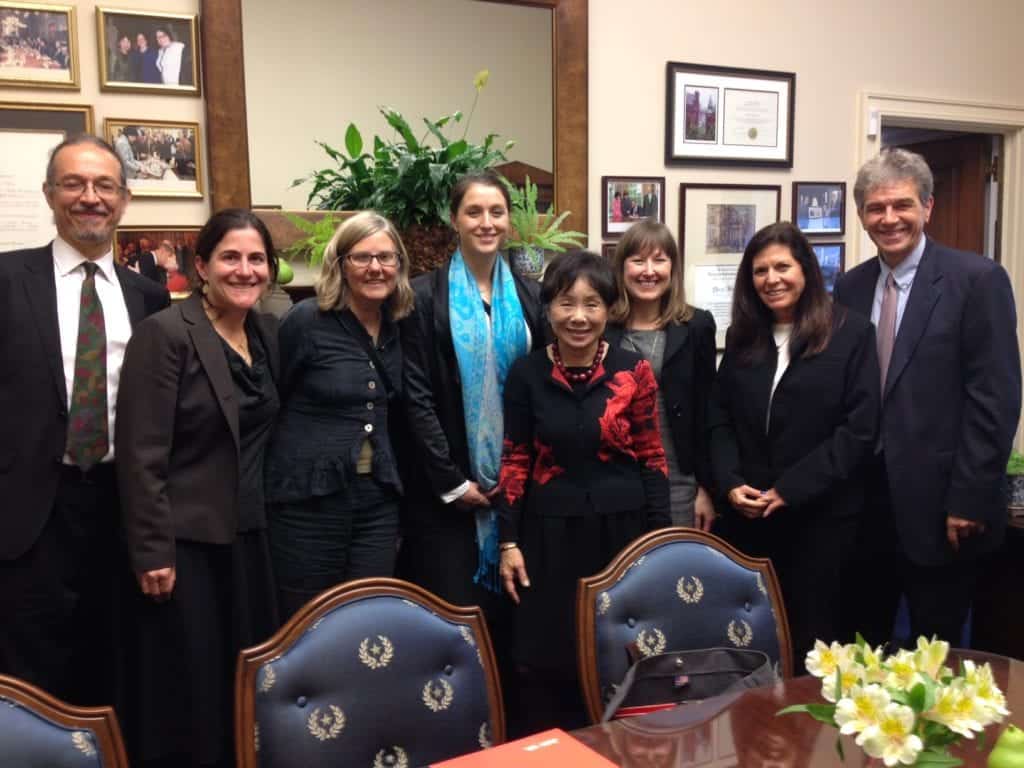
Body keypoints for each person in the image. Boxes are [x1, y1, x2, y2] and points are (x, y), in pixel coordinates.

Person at [0, 135, 168, 705]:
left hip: (122, 510)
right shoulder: (6, 281)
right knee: (29, 675)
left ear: (123, 199)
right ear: (49, 193)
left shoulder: (150, 298)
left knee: (115, 663)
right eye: (73, 183)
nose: (89, 197)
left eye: (104, 185)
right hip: (28, 515)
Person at [834, 148, 1021, 647]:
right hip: (865, 509)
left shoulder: (976, 281)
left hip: (944, 510)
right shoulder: (849, 288)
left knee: (937, 655)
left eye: (902, 205)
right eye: (876, 208)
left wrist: (969, 498)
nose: (889, 218)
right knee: (864, 648)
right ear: (861, 216)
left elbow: (995, 399)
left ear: (927, 208)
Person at [115, 208, 280, 767]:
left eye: (256, 259)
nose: (244, 270)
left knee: (247, 678)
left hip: (252, 539)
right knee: (193, 684)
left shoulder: (268, 332)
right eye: (230, 257)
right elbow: (142, 453)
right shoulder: (166, 334)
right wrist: (152, 550)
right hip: (186, 546)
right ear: (203, 265)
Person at [497, 250, 671, 732]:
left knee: (616, 652)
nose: (578, 316)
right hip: (547, 535)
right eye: (566, 303)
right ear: (548, 308)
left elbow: (652, 457)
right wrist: (507, 541)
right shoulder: (526, 373)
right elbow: (515, 458)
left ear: (610, 309)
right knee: (547, 656)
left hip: (622, 532)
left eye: (592, 304)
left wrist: (659, 544)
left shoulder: (633, 371)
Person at [708, 221, 879, 672]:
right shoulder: (742, 336)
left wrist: (790, 489)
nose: (771, 279)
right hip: (749, 522)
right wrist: (729, 484)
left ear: (805, 269)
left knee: (813, 648)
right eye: (760, 270)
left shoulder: (851, 332)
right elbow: (720, 420)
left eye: (782, 266)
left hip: (821, 522)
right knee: (752, 645)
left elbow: (859, 431)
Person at [399, 168, 545, 607]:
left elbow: (542, 386)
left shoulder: (530, 295)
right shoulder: (423, 297)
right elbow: (416, 395)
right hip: (449, 491)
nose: (487, 222)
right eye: (474, 211)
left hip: (520, 485)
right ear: (454, 219)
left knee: (516, 615)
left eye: (497, 212)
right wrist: (454, 482)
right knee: (456, 615)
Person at [266, 212, 413, 619]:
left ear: (399, 265)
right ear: (341, 264)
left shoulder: (399, 327)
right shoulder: (306, 321)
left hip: (377, 501)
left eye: (386, 257)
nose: (375, 267)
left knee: (369, 614)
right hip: (307, 500)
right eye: (362, 257)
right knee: (307, 621)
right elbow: (274, 401)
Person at [605, 220, 717, 529]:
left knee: (675, 573)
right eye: (638, 260)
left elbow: (709, 412)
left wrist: (706, 489)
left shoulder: (696, 326)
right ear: (622, 267)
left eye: (659, 260)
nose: (648, 271)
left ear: (673, 267)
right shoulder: (602, 328)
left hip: (680, 482)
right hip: (617, 481)